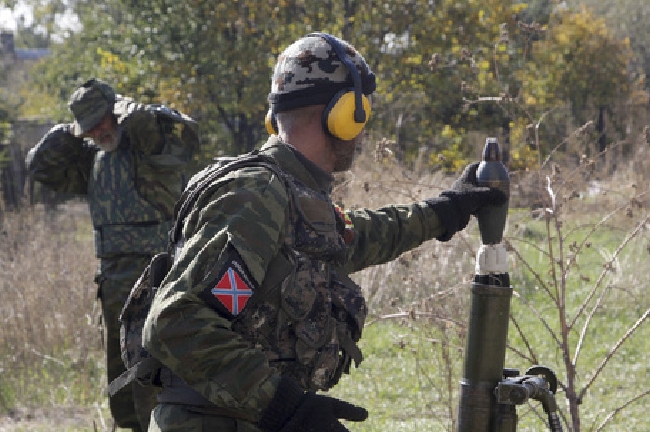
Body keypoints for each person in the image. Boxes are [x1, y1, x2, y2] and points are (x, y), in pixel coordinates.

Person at [142, 33, 506, 432]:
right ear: (343, 113)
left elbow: (356, 237)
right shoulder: (256, 194)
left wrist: (447, 209)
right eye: (362, 110)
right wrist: (287, 408)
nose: (363, 129)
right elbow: (175, 320)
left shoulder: (290, 193)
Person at [25, 78, 199, 432]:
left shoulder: (149, 143)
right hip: (114, 279)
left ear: (115, 112)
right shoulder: (95, 159)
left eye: (100, 123)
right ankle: (133, 426)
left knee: (157, 360)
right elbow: (39, 166)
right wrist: (72, 131)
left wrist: (123, 110)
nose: (96, 133)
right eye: (88, 129)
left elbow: (155, 128)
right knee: (122, 364)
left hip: (159, 272)